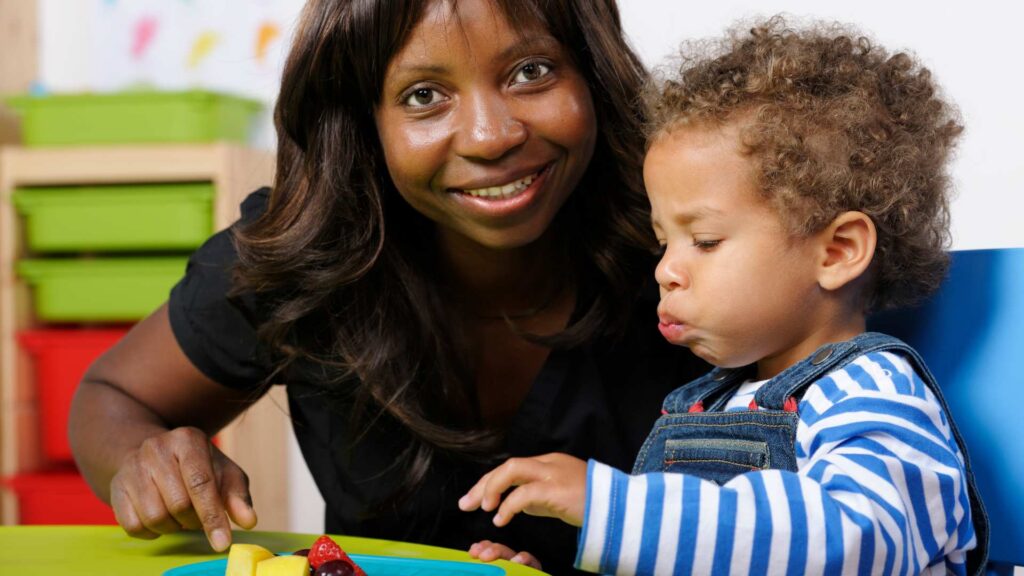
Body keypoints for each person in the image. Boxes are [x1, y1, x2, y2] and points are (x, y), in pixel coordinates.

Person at [67, 0, 709, 573]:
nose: (491, 136)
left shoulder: (702, 242)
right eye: (424, 95)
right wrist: (143, 456)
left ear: (593, 74)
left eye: (531, 71)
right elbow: (110, 394)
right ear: (363, 122)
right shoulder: (300, 259)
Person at [459, 17, 990, 574]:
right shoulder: (701, 404)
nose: (665, 272)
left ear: (836, 252)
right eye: (664, 244)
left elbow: (858, 542)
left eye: (705, 241)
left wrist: (612, 507)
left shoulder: (874, 392)